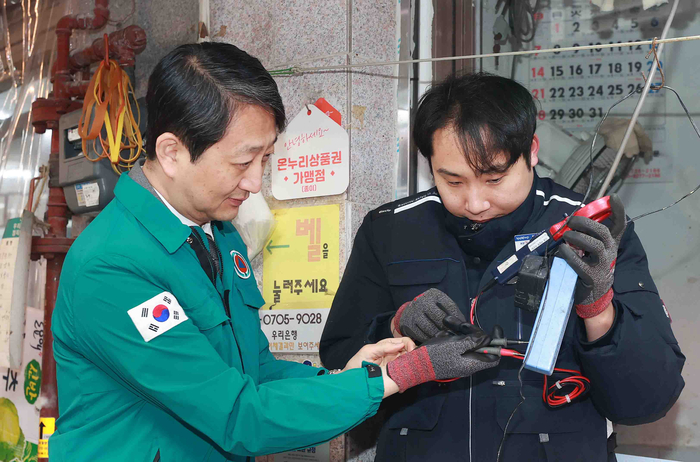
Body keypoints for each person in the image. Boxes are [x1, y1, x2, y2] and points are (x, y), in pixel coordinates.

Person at [50, 43, 500, 462]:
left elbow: (256, 372)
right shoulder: (112, 268)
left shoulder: (216, 233)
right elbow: (236, 415)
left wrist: (353, 378)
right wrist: (400, 376)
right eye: (243, 161)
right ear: (171, 152)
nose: (254, 183)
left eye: (266, 159)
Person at [320, 72, 685, 461]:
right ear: (431, 165)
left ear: (531, 151)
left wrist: (599, 311)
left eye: (494, 178)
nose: (475, 202)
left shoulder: (591, 234)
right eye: (453, 181)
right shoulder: (390, 231)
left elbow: (647, 401)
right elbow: (341, 362)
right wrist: (395, 326)